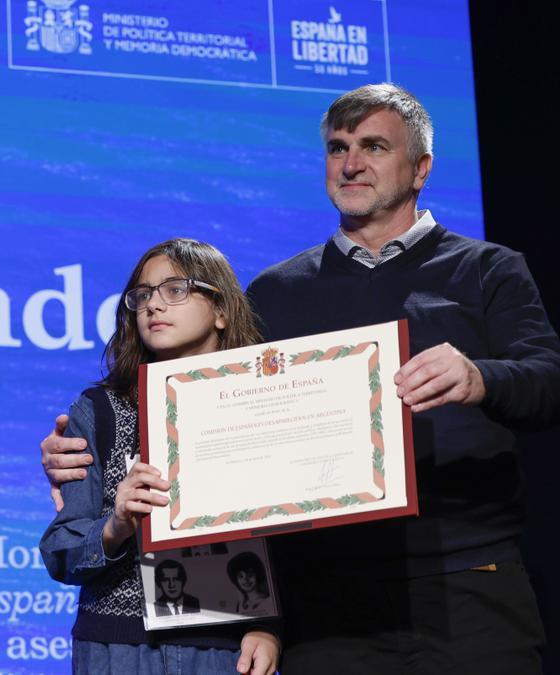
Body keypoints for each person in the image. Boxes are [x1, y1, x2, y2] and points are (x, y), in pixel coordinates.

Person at [41, 84, 560, 673]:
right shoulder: (277, 292)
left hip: (466, 582)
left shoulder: (488, 269)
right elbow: (218, 421)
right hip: (325, 601)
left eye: (373, 146)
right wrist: (90, 452)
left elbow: (548, 382)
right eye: (338, 148)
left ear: (421, 168)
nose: (352, 163)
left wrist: (481, 377)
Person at [39, 239, 279, 675]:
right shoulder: (99, 411)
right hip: (118, 652)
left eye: (175, 289)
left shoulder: (263, 402)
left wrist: (271, 627)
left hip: (224, 648)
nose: (153, 305)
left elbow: (291, 536)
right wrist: (115, 526)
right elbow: (61, 551)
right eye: (142, 295)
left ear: (221, 310)